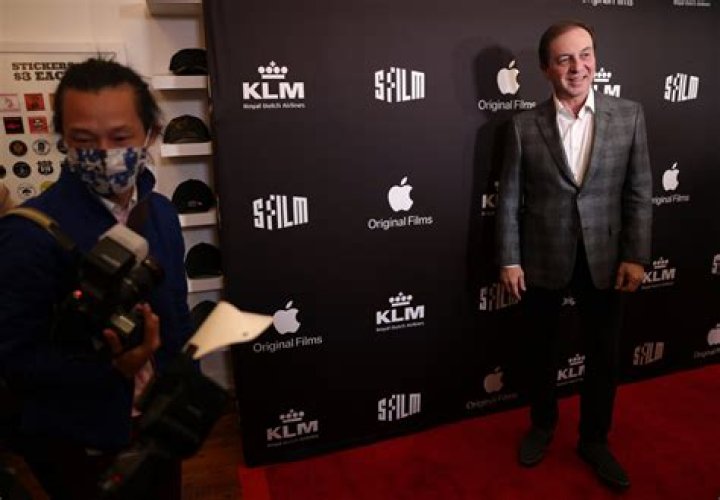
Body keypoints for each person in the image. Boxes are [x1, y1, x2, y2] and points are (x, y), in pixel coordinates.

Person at [0, 58, 192, 499]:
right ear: (63, 139)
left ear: (150, 134)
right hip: (83, 441)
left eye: (120, 137)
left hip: (159, 423)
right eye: (84, 140)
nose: (104, 153)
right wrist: (111, 370)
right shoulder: (28, 235)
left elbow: (177, 312)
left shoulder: (161, 212)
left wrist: (183, 389)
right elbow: (14, 359)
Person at [496, 21, 652, 491]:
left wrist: (636, 255)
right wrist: (509, 259)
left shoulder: (630, 116)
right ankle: (543, 425)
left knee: (604, 354)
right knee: (541, 350)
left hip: (606, 257)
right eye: (564, 59)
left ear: (595, 60)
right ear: (546, 68)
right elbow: (509, 199)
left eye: (585, 55)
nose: (578, 67)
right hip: (542, 255)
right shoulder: (523, 126)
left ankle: (594, 439)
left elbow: (639, 193)